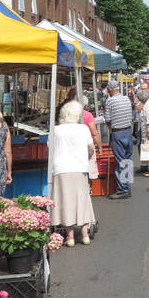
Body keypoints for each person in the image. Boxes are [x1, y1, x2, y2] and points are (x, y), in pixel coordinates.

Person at [49, 101, 96, 246]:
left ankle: (69, 236)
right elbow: (90, 148)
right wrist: (85, 158)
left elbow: (49, 149)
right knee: (82, 199)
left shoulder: (55, 130)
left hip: (61, 168)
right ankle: (84, 233)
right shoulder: (83, 129)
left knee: (65, 200)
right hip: (79, 167)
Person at [104, 81, 134, 198]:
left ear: (110, 89)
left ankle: (122, 189)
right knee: (127, 160)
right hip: (127, 131)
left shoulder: (110, 101)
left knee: (120, 161)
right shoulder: (126, 99)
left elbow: (108, 119)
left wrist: (112, 129)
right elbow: (131, 116)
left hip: (118, 132)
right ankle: (127, 186)